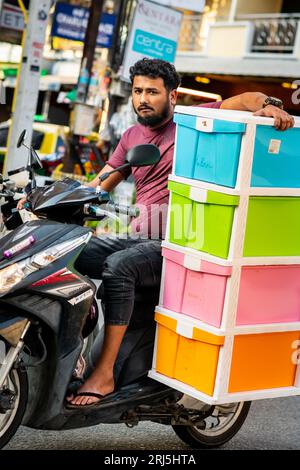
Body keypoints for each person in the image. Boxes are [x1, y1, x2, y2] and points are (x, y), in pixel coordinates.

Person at [19, 58, 294, 406]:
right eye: (137, 91)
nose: (142, 99)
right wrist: (43, 202)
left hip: (177, 243)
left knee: (120, 267)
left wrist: (268, 105)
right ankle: (72, 352)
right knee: (65, 254)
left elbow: (244, 100)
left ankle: (104, 373)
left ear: (173, 96)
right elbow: (99, 183)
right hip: (139, 236)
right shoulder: (132, 136)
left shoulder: (191, 122)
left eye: (152, 91)